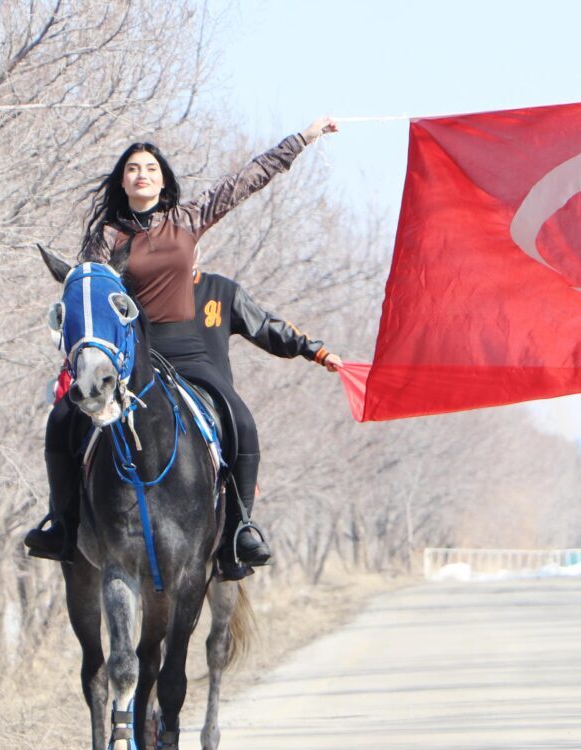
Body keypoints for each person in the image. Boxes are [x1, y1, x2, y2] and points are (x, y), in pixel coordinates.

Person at [25, 117, 339, 579]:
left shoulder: (187, 219)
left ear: (163, 180)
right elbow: (92, 296)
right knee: (62, 419)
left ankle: (239, 529)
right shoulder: (105, 238)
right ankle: (63, 523)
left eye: (150, 168)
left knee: (241, 420)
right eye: (133, 168)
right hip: (132, 355)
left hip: (187, 352)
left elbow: (248, 178)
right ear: (122, 181)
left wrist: (302, 139)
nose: (142, 174)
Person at [152, 267, 343, 578]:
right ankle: (75, 524)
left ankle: (239, 529)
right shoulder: (144, 287)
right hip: (152, 392)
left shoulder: (222, 291)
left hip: (211, 394)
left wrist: (315, 351)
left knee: (243, 426)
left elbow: (264, 326)